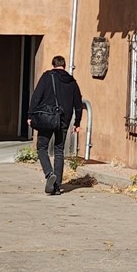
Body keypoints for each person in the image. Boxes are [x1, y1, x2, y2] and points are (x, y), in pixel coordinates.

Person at [28, 55, 85, 196]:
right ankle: (57, 186)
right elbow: (78, 104)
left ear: (53, 64)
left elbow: (36, 96)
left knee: (42, 148)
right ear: (64, 65)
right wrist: (77, 122)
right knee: (59, 151)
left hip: (47, 119)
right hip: (64, 120)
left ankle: (49, 174)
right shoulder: (72, 82)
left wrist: (30, 115)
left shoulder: (47, 77)